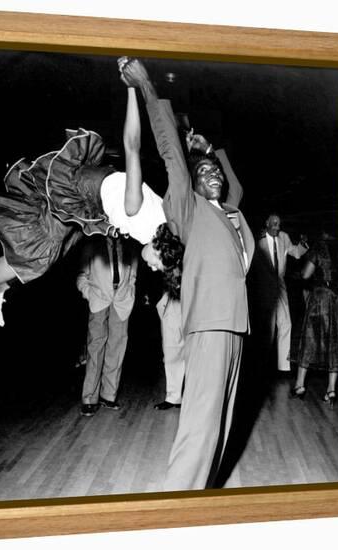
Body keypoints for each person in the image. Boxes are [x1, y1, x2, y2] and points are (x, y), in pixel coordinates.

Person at [0, 86, 184, 343]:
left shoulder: (164, 221)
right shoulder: (137, 210)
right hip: (79, 190)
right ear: (161, 247)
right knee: (36, 253)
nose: (152, 268)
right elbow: (132, 146)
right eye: (158, 264)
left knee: (53, 254)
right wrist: (131, 88)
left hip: (92, 208)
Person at [120, 57, 255, 490]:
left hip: (236, 327)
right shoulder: (189, 210)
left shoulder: (229, 212)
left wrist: (213, 150)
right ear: (192, 187)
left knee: (222, 424)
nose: (211, 174)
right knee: (201, 424)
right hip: (211, 325)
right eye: (204, 174)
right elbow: (171, 153)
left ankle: (201, 496)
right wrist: (146, 86)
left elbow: (235, 189)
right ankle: (177, 501)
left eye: (214, 171)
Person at [77, 236, 138, 416]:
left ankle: (108, 396)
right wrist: (89, 293)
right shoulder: (91, 244)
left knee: (117, 348)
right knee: (95, 348)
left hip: (122, 301)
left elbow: (133, 273)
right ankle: (89, 398)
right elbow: (81, 275)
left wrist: (130, 291)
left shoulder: (130, 245)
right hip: (98, 300)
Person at [249, 213, 308, 373]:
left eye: (279, 224)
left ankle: (283, 367)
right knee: (267, 328)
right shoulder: (256, 239)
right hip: (263, 287)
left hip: (280, 285)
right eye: (274, 224)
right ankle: (263, 366)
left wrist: (303, 244)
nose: (277, 227)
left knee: (286, 323)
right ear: (267, 223)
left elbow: (295, 253)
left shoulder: (283, 237)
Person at [290, 227, 338, 406]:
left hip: (320, 297)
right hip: (336, 298)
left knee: (309, 339)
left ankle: (299, 386)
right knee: (333, 342)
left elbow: (306, 274)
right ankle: (331, 389)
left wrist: (296, 275)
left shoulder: (318, 247)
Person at [154, 291, 184, 410]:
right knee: (172, 349)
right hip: (174, 296)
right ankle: (174, 396)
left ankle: (193, 396)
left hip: (201, 294)